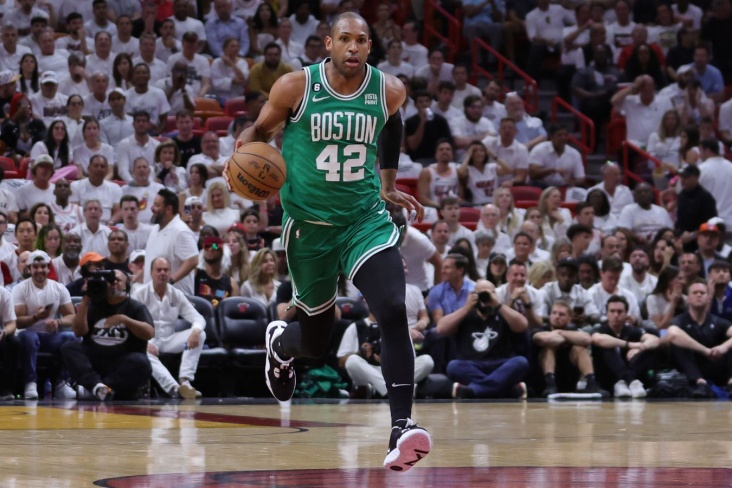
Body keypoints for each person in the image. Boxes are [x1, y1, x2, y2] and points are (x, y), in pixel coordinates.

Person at [228, 12, 431, 471]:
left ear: (369, 47)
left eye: (361, 40)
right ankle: (281, 345)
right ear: (329, 44)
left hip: (364, 220)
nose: (353, 47)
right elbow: (259, 132)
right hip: (310, 228)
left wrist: (388, 181)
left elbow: (392, 123)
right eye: (345, 39)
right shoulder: (295, 87)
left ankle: (401, 427)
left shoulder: (388, 90)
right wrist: (240, 154)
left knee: (393, 308)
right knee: (316, 342)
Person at [62, 269, 154, 401]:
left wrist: (125, 320)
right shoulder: (93, 305)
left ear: (127, 286)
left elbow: (149, 333)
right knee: (69, 347)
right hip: (95, 362)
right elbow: (78, 331)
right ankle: (100, 387)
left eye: (118, 280)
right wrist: (85, 301)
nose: (113, 283)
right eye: (110, 280)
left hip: (121, 364)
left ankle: (96, 388)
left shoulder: (136, 307)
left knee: (141, 363)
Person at [437, 278, 529, 399]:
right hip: (471, 365)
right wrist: (466, 307)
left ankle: (473, 391)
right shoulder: (465, 314)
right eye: (481, 294)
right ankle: (508, 391)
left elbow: (523, 325)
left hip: (500, 365)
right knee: (453, 366)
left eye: (490, 293)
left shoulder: (503, 312)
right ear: (473, 295)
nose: (485, 298)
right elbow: (441, 329)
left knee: (521, 362)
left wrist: (498, 305)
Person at [132, 256, 205, 399]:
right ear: (151, 273)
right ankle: (174, 388)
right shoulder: (139, 294)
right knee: (143, 351)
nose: (162, 273)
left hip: (170, 341)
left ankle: (185, 380)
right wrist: (144, 342)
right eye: (159, 270)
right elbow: (130, 322)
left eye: (166, 270)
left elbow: (198, 318)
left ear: (170, 272)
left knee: (200, 334)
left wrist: (195, 331)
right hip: (148, 341)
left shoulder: (176, 294)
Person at [12, 250, 76, 400]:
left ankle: (62, 382)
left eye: (43, 266)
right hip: (26, 334)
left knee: (71, 337)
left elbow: (72, 317)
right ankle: (30, 382)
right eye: (35, 267)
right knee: (30, 337)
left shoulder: (59, 288)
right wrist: (35, 317)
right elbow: (17, 322)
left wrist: (58, 322)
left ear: (48, 268)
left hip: (49, 336)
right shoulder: (20, 289)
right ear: (29, 269)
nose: (40, 270)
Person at [337, 299, 433, 399]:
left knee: (427, 361)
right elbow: (341, 362)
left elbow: (410, 360)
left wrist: (390, 358)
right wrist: (361, 353)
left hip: (394, 372)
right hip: (368, 371)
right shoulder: (355, 327)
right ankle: (397, 389)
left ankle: (380, 389)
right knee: (352, 361)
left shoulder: (400, 328)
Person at [591, 295, 660, 398]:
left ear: (626, 313)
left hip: (631, 377)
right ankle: (629, 381)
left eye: (620, 312)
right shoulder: (600, 329)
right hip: (607, 378)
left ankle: (629, 382)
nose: (616, 315)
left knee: (649, 349)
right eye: (612, 311)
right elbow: (597, 339)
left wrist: (641, 348)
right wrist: (629, 344)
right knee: (608, 346)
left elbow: (655, 340)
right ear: (607, 313)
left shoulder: (630, 330)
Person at [533, 301, 604, 397]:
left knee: (579, 347)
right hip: (543, 384)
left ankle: (591, 383)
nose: (557, 316)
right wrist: (568, 337)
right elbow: (545, 339)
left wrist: (560, 332)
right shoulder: (541, 329)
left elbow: (587, 339)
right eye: (554, 313)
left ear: (569, 319)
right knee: (549, 346)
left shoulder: (572, 330)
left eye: (561, 314)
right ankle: (550, 383)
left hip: (568, 379)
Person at [144, 189, 199, 295]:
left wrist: (169, 281)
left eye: (157, 205)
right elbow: (150, 261)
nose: (152, 208)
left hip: (175, 297)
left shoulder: (180, 231)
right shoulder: (155, 229)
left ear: (168, 209)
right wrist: (136, 279)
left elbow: (192, 260)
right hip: (154, 296)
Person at [195, 236, 239, 307]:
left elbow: (233, 309)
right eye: (207, 246)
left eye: (215, 246)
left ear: (223, 252)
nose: (211, 249)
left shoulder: (232, 283)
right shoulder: (196, 274)